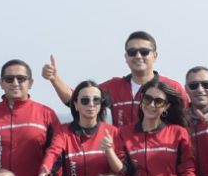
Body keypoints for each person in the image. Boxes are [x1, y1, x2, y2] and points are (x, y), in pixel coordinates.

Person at [42, 31, 185, 131]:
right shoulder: (114, 87)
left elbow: (188, 121)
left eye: (144, 51)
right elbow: (75, 100)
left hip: (161, 158)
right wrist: (55, 78)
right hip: (123, 159)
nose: (138, 56)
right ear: (126, 57)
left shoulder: (172, 87)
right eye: (132, 52)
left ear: (155, 55)